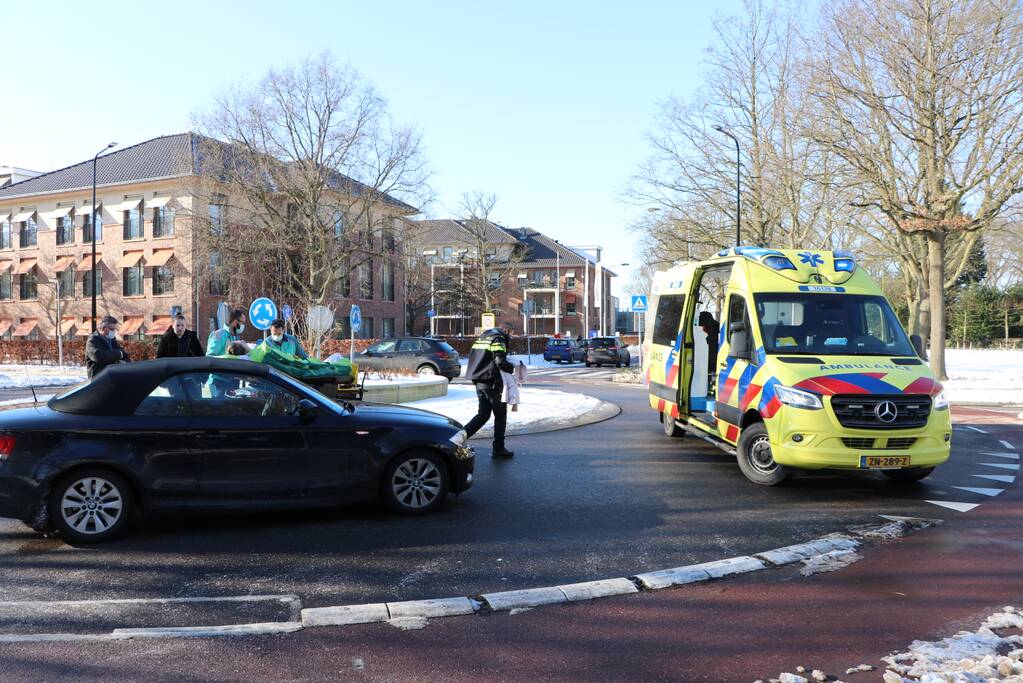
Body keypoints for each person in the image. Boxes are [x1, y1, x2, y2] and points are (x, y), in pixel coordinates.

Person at [463, 322, 516, 458]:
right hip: (491, 381)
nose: (510, 335)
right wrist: (513, 367)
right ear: (506, 330)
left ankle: (458, 439)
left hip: (479, 380)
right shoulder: (498, 338)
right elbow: (500, 361)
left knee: (483, 415)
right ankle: (498, 449)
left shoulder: (483, 336)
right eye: (510, 332)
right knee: (500, 415)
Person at [699, 311, 720, 397]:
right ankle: (711, 389)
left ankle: (706, 390)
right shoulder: (717, 326)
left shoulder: (704, 331)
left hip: (707, 357)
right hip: (716, 356)